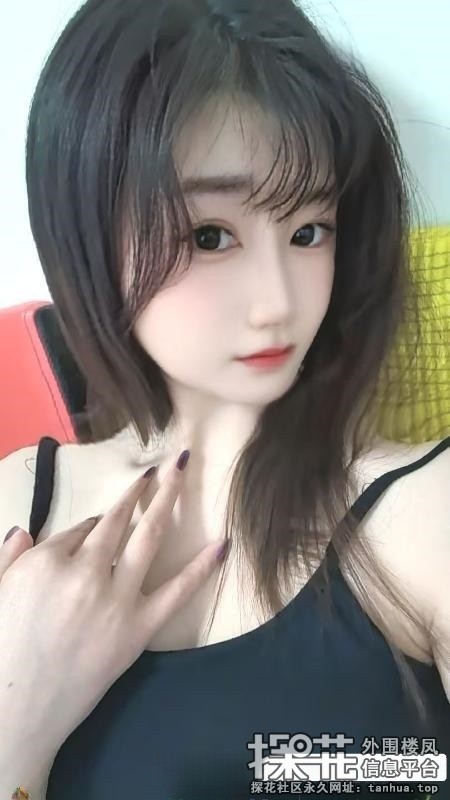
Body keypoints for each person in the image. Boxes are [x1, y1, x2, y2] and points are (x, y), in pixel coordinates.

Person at [0, 0, 448, 798]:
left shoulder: (421, 514)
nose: (279, 301)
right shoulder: (17, 512)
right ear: (85, 232)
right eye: (209, 236)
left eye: (309, 231)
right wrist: (17, 722)